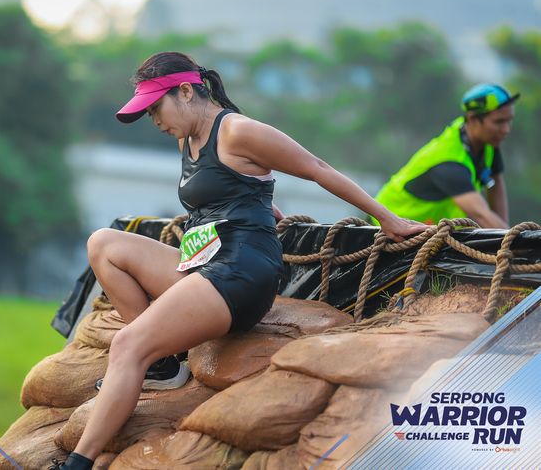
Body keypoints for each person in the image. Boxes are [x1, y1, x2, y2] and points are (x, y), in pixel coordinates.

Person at [49, 52, 425, 470]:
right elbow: (233, 186)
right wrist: (263, 203)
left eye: (156, 108)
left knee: (126, 343)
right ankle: (161, 365)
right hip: (202, 267)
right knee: (103, 243)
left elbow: (316, 168)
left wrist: (387, 219)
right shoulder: (186, 137)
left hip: (241, 272)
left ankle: (78, 463)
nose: (154, 120)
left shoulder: (238, 131)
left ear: (186, 91)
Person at [374, 84, 519, 228]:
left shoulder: (485, 141)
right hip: (384, 226)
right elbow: (481, 215)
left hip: (424, 231)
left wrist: (507, 235)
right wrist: (514, 239)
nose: (506, 129)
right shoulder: (449, 163)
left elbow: (495, 183)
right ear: (473, 119)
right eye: (499, 122)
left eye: (509, 120)